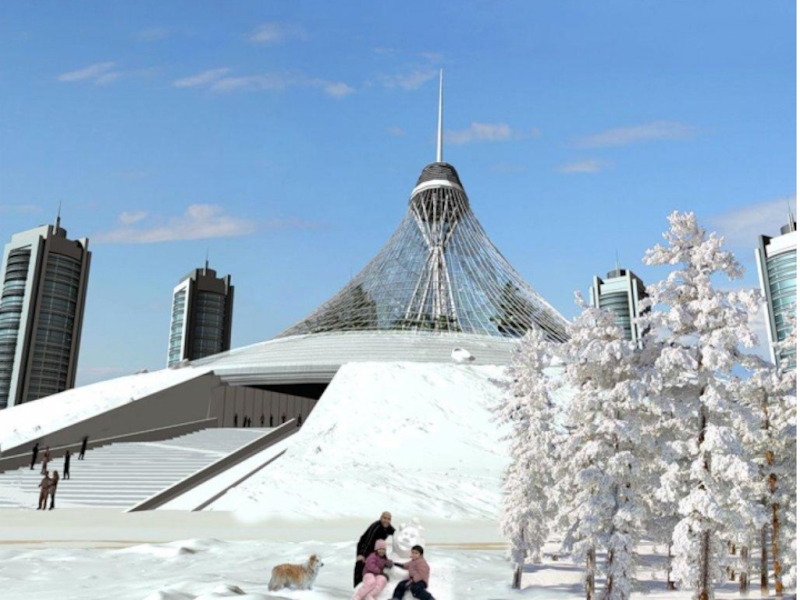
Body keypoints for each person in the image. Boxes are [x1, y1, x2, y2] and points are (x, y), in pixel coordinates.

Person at [354, 511, 395, 587]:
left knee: (375, 565)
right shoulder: (376, 527)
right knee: (361, 567)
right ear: (381, 518)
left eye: (388, 519)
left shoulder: (389, 528)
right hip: (364, 548)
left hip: (376, 549)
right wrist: (361, 554)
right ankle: (358, 588)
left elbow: (396, 535)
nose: (386, 520)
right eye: (384, 518)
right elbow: (367, 541)